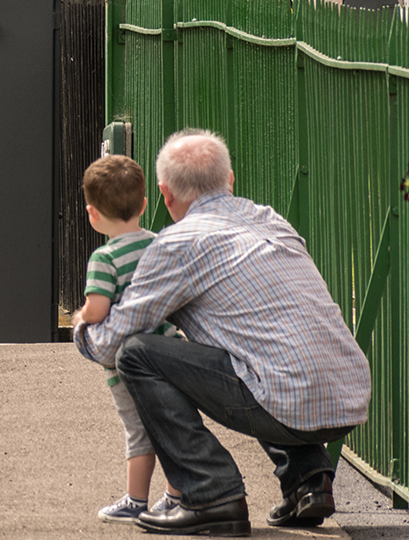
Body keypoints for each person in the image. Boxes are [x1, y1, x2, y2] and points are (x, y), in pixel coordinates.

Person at [74, 129, 370, 537]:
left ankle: (210, 494)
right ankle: (309, 480)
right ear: (230, 180)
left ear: (165, 194)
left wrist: (81, 326)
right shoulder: (269, 218)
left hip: (284, 404)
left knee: (137, 353)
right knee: (256, 347)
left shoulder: (177, 244)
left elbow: (110, 343)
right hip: (349, 397)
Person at [76, 155, 184, 523]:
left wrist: (80, 317)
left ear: (92, 214)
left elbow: (98, 310)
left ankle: (136, 500)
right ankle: (175, 494)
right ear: (143, 204)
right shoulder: (157, 244)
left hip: (125, 363)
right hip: (167, 351)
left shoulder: (104, 259)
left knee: (138, 430)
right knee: (170, 423)